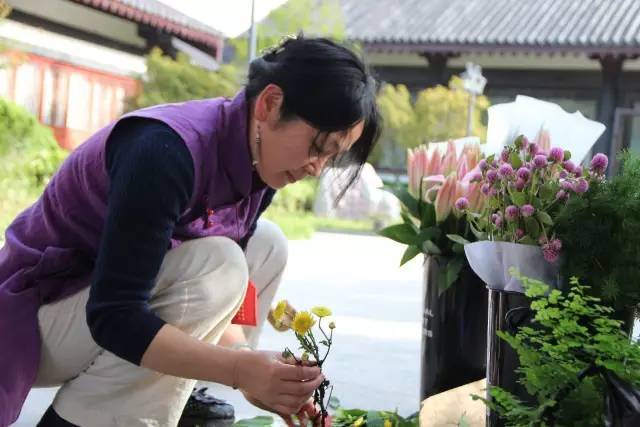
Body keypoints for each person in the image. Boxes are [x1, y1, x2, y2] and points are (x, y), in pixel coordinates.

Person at [0, 35, 381, 427]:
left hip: (89, 310)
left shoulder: (256, 162)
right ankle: (84, 419)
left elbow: (225, 310)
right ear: (270, 103)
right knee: (220, 264)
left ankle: (178, 390)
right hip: (30, 319)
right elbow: (115, 315)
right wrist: (238, 369)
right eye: (319, 146)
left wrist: (259, 376)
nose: (316, 168)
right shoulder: (165, 152)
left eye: (332, 157)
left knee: (267, 246)